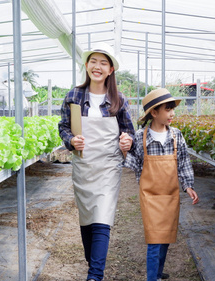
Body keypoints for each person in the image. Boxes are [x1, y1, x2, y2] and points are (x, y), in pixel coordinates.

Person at [58, 42, 135, 281]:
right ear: (86, 65)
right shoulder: (74, 95)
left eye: (103, 62)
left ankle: (95, 275)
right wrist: (72, 141)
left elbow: (128, 132)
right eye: (94, 61)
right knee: (87, 217)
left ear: (111, 69)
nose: (97, 66)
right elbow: (63, 127)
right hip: (83, 166)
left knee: (102, 215)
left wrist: (126, 142)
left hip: (109, 166)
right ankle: (93, 260)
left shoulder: (118, 100)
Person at [124, 88, 199, 281]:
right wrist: (124, 151)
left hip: (170, 195)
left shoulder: (176, 135)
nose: (172, 113)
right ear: (154, 113)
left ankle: (157, 273)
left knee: (165, 237)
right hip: (150, 197)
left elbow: (183, 163)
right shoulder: (141, 137)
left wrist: (188, 186)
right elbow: (133, 163)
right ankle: (152, 278)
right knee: (154, 240)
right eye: (168, 109)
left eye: (172, 109)